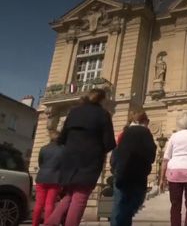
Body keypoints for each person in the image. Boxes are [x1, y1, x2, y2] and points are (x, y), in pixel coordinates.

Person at [44, 88, 116, 226]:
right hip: (89, 160)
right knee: (80, 197)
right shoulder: (103, 114)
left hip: (69, 159)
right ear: (102, 99)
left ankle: (49, 224)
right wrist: (99, 149)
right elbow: (109, 143)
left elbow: (61, 138)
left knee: (69, 196)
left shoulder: (74, 112)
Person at [110, 110, 157, 226]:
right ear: (144, 120)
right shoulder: (144, 132)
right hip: (136, 174)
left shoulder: (124, 132)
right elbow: (151, 154)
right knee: (131, 204)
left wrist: (114, 167)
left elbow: (116, 152)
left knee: (120, 205)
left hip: (121, 172)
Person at [32, 130, 63, 226]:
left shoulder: (43, 148)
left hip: (42, 177)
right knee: (49, 204)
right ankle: (47, 224)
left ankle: (34, 224)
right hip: (55, 179)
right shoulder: (63, 149)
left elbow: (40, 163)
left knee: (38, 204)